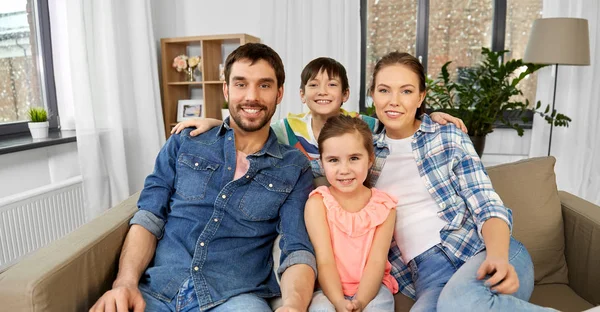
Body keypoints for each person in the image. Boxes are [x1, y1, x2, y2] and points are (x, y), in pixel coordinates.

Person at [90, 43, 316, 312]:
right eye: (241, 84)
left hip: (234, 298)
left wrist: (294, 305)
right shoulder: (184, 143)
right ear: (226, 90)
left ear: (279, 93)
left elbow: (297, 247)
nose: (252, 96)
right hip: (158, 291)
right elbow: (149, 217)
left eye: (264, 85)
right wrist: (124, 283)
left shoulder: (294, 166)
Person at [368, 51, 554, 311]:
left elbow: (486, 204)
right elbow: (318, 152)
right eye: (384, 90)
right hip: (429, 278)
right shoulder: (363, 154)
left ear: (421, 97)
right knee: (453, 303)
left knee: (459, 301)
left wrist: (498, 256)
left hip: (483, 251)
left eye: (407, 91)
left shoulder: (447, 137)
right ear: (372, 95)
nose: (394, 101)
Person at [172, 57, 466, 179]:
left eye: (332, 85)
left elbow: (398, 120)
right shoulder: (288, 128)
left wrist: (430, 114)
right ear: (301, 94)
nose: (322, 92)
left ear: (346, 94)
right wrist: (214, 122)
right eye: (313, 85)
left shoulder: (362, 124)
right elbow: (249, 129)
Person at [304, 115, 398, 312]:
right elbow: (325, 260)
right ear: (321, 163)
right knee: (320, 308)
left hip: (371, 289)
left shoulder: (384, 207)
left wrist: (360, 302)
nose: (344, 170)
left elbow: (376, 262)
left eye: (354, 158)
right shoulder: (318, 203)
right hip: (328, 290)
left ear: (370, 159)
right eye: (333, 160)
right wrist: (339, 302)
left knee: (381, 304)